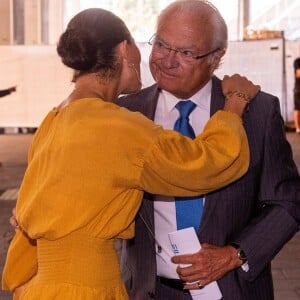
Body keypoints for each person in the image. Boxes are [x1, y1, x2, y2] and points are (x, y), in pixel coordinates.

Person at [2, 7, 259, 300]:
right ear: (126, 49)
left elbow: (29, 212)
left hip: (44, 287)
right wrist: (234, 105)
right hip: (88, 290)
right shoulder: (116, 125)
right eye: (152, 44)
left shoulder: (54, 118)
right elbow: (204, 163)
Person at [117, 1, 300, 299]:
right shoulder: (125, 114)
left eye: (186, 52)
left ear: (216, 58)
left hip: (233, 288)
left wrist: (233, 255)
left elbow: (288, 202)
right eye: (161, 44)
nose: (167, 61)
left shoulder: (259, 112)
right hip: (150, 291)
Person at [293, 57, 300, 134]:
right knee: (297, 108)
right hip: (298, 89)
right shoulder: (297, 61)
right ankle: (297, 128)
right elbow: (298, 74)